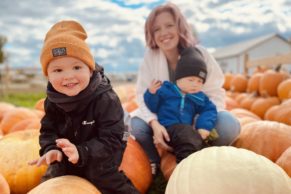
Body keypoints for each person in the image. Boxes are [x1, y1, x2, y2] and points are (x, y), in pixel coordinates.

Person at [28, 20, 139, 194]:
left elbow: (112, 138)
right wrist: (51, 148)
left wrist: (83, 152)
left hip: (105, 146)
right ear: (47, 75)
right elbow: (48, 131)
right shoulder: (52, 101)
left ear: (90, 69)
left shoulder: (105, 99)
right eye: (58, 70)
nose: (68, 76)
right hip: (71, 148)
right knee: (53, 178)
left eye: (77, 67)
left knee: (101, 175)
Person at [130, 2, 241, 175]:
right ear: (151, 34)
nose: (164, 33)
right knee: (136, 126)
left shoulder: (200, 54)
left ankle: (202, 153)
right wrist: (155, 124)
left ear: (180, 27)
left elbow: (215, 93)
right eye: (156, 29)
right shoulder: (150, 57)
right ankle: (154, 161)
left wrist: (197, 126)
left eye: (169, 25)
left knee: (229, 125)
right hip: (165, 120)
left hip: (195, 119)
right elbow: (142, 93)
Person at [143, 46, 218, 163]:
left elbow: (209, 110)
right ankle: (185, 166)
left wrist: (203, 126)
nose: (195, 84)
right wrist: (151, 94)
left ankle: (201, 161)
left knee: (194, 138)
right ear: (178, 79)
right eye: (191, 80)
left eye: (200, 81)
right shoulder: (166, 90)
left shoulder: (199, 97)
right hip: (167, 131)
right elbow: (153, 106)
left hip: (187, 133)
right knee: (186, 134)